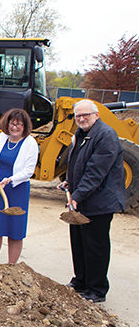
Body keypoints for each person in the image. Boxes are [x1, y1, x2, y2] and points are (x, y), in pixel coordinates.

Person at [59, 99, 125, 303]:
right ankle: (80, 281)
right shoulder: (81, 135)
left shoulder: (105, 136)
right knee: (79, 242)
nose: (81, 118)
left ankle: (96, 289)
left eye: (85, 115)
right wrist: (69, 182)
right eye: (78, 115)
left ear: (96, 115)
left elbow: (96, 172)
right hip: (83, 199)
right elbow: (78, 164)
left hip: (99, 202)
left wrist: (78, 195)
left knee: (95, 245)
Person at [0, 108, 38, 264]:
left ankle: (10, 267)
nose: (15, 127)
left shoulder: (30, 143)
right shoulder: (3, 137)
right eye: (12, 123)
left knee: (15, 229)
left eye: (19, 124)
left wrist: (11, 179)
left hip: (16, 190)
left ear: (25, 126)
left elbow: (29, 171)